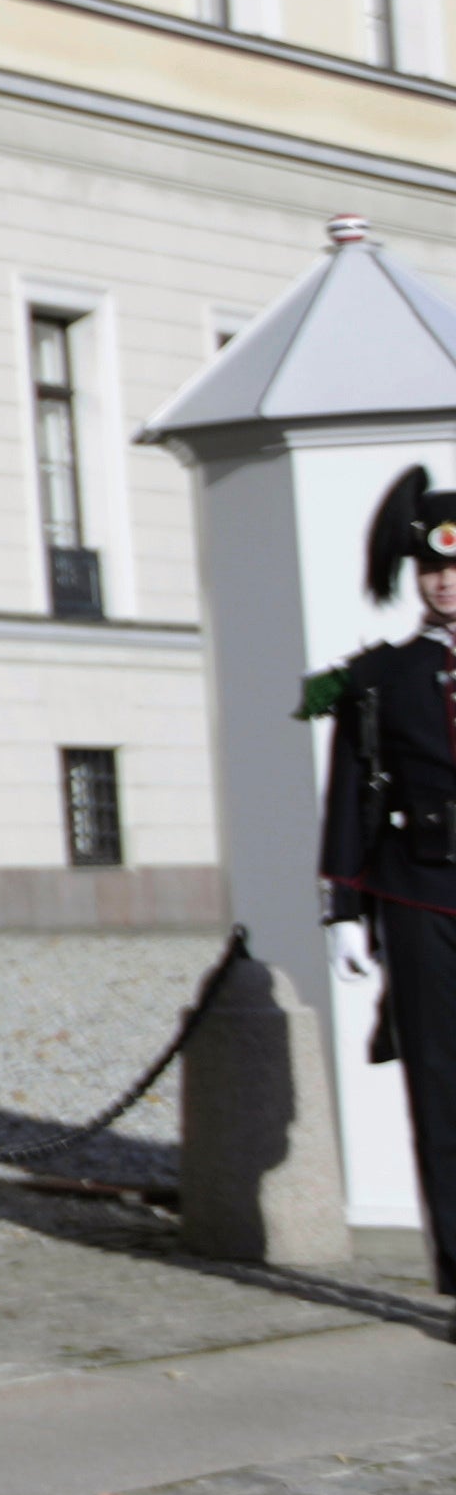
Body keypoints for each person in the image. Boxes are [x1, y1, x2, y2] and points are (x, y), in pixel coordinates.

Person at [316, 466, 456, 1292]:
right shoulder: (378, 679)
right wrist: (342, 906)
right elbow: (350, 797)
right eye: (431, 569)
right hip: (419, 892)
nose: (444, 582)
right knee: (441, 1090)